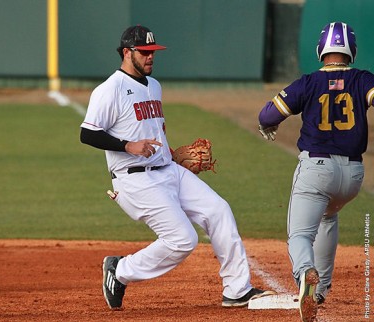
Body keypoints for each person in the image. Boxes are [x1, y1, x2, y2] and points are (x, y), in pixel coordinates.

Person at [80, 24, 275, 310]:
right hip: (135, 180)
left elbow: (153, 128)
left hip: (169, 171)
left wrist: (172, 154)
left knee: (218, 210)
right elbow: (87, 133)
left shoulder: (154, 86)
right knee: (183, 239)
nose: (150, 57)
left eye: (153, 52)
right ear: (126, 52)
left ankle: (236, 289)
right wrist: (127, 146)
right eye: (144, 52)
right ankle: (120, 270)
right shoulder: (110, 90)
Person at [258, 21, 372, 322]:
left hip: (317, 169)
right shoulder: (363, 79)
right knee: (329, 215)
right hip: (353, 176)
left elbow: (268, 113)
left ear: (321, 49)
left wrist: (267, 123)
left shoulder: (307, 83)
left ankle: (306, 274)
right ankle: (319, 290)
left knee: (299, 235)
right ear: (352, 51)